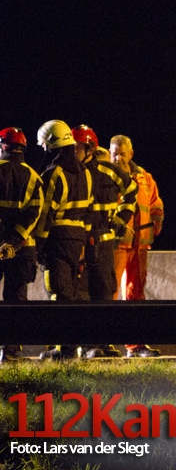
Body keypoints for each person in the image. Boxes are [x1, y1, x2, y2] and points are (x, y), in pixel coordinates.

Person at [70, 126, 138, 359]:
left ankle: (103, 342)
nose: (74, 152)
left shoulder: (109, 171)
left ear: (90, 148)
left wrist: (120, 220)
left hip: (105, 243)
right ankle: (87, 344)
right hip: (80, 243)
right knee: (81, 293)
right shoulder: (71, 173)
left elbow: (131, 190)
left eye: (78, 147)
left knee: (104, 291)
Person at [33, 120, 93, 361]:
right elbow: (89, 212)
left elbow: (46, 214)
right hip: (78, 240)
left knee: (58, 293)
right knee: (73, 294)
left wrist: (38, 245)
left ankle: (63, 349)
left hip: (56, 239)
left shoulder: (53, 173)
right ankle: (71, 347)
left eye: (44, 146)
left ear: (52, 145)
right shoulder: (85, 172)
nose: (43, 150)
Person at [109, 135, 164, 358]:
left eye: (122, 154)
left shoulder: (144, 177)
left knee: (136, 294)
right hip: (116, 243)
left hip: (139, 244)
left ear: (130, 154)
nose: (118, 158)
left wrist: (157, 219)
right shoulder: (106, 176)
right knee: (109, 293)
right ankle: (104, 343)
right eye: (114, 154)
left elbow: (155, 202)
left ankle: (136, 345)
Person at [0, 128, 45, 363]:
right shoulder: (34, 177)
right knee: (16, 299)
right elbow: (34, 213)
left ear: (3, 146)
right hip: (22, 248)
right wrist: (14, 241)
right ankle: (10, 350)